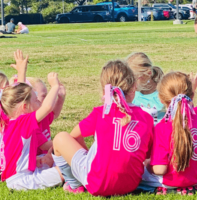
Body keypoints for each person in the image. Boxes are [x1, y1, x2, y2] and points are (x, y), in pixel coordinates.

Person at [52, 60, 154, 196]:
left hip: (97, 184)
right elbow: (147, 155)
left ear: (104, 89)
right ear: (134, 86)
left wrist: (87, 156)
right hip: (131, 184)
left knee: (60, 138)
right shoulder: (146, 118)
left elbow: (74, 136)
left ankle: (74, 184)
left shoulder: (101, 113)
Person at [0, 59, 63, 189]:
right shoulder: (22, 122)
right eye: (36, 98)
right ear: (25, 106)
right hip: (21, 180)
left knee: (62, 162)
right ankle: (73, 183)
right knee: (67, 170)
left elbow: (19, 93)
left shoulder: (12, 121)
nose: (39, 101)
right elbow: (48, 107)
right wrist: (55, 87)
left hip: (23, 175)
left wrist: (22, 72)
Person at [139, 71, 197, 196]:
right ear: (191, 95)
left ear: (160, 98)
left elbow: (160, 169)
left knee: (137, 171)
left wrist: (147, 164)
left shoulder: (162, 127)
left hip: (170, 182)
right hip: (196, 180)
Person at [126, 52, 164, 125]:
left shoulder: (164, 93)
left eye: (133, 78)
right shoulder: (130, 96)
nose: (130, 83)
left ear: (148, 74)